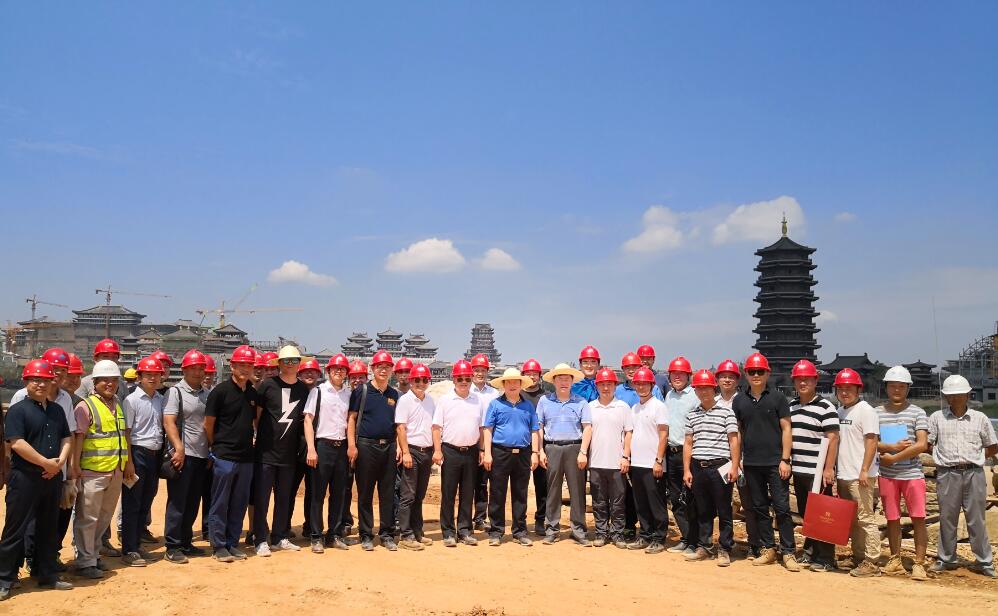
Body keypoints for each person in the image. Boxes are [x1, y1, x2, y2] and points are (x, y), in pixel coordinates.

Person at [0, 360, 74, 600]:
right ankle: (5, 578)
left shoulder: (57, 410)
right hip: (25, 478)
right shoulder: (18, 410)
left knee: (48, 528)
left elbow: (67, 438)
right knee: (15, 529)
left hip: (52, 478)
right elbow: (17, 443)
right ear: (26, 382)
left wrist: (59, 463)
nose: (41, 384)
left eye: (45, 380)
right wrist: (45, 463)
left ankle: (47, 574)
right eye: (36, 380)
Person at [927, 375, 997, 579]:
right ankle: (946, 559)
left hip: (974, 473)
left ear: (968, 395)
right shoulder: (937, 417)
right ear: (945, 397)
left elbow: (992, 445)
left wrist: (976, 458)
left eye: (959, 394)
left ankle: (984, 561)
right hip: (947, 473)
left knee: (976, 519)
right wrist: (942, 457)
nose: (955, 398)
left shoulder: (980, 418)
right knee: (947, 517)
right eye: (951, 395)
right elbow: (928, 443)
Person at [732, 353, 797, 571]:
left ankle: (788, 551)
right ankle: (768, 548)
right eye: (752, 371)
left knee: (782, 508)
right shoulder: (739, 401)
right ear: (746, 374)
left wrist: (785, 459)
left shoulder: (778, 398)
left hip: (775, 463)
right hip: (751, 463)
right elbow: (738, 432)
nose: (756, 375)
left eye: (760, 371)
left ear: (767, 374)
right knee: (759, 507)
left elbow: (786, 429)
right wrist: (739, 459)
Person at [72, 359, 134, 579]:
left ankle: (94, 554)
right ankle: (85, 561)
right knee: (87, 518)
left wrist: (127, 463)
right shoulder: (85, 406)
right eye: (104, 380)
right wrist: (75, 468)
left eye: (114, 380)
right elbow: (78, 438)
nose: (110, 384)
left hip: (114, 471)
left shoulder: (118, 405)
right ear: (95, 382)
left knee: (104, 517)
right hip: (92, 472)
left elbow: (123, 437)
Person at [252, 346, 309, 557]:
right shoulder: (268, 385)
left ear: (299, 363)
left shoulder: (303, 390)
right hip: (266, 452)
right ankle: (260, 539)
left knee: (284, 497)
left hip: (289, 454)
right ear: (279, 363)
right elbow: (257, 416)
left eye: (294, 360)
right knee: (262, 498)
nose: (290, 364)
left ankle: (279, 537)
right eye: (286, 361)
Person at [205, 345, 258, 563]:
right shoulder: (220, 391)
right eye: (241, 364)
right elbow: (208, 424)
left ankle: (232, 543)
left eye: (249, 365)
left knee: (239, 502)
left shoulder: (252, 393)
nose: (245, 369)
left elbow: (254, 422)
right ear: (232, 366)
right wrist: (216, 446)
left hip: (246, 458)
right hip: (224, 456)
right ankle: (218, 546)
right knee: (220, 502)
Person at [876, 366, 930, 581]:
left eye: (901, 386)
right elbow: (872, 442)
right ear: (886, 387)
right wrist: (890, 447)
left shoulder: (918, 412)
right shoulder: (877, 412)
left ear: (908, 388)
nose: (897, 390)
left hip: (912, 474)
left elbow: (922, 444)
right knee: (892, 518)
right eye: (893, 386)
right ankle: (895, 558)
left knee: (918, 518)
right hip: (887, 475)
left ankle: (919, 563)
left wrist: (894, 456)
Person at [787, 360, 840, 573]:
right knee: (807, 514)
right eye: (799, 379)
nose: (803, 383)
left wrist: (828, 468)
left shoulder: (826, 407)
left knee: (822, 515)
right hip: (799, 470)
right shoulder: (792, 406)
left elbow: (833, 438)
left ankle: (826, 557)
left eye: (807, 379)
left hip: (818, 471)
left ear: (815, 381)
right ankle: (810, 552)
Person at [682, 370, 740, 567]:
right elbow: (688, 443)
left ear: (713, 388)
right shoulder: (692, 414)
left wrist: (734, 466)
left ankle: (724, 548)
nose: (703, 392)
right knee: (703, 510)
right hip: (698, 466)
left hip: (720, 466)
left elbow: (733, 441)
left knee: (724, 509)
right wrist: (687, 470)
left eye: (706, 388)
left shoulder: (726, 412)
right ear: (695, 391)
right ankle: (704, 546)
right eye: (699, 388)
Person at [347, 350, 400, 551]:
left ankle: (386, 534)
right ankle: (366, 534)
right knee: (365, 492)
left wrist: (398, 446)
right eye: (380, 366)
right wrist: (352, 445)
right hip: (366, 446)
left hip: (389, 446)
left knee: (387, 493)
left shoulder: (394, 394)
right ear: (372, 368)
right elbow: (351, 419)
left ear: (392, 370)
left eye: (387, 367)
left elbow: (398, 424)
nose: (383, 370)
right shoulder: (362, 391)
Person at [161, 349, 210, 564]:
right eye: (193, 368)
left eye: (201, 368)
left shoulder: (207, 394)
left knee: (193, 501)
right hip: (183, 455)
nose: (198, 372)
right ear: (184, 370)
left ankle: (186, 541)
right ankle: (172, 546)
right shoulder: (175, 392)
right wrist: (178, 448)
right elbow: (169, 421)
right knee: (178, 502)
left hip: (201, 454)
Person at [482, 368, 540, 547]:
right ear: (503, 385)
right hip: (500, 452)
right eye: (509, 382)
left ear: (521, 385)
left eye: (516, 382)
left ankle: (520, 531)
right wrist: (488, 453)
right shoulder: (495, 404)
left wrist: (535, 453)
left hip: (523, 453)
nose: (513, 385)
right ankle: (496, 531)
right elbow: (488, 429)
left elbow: (534, 430)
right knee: (497, 492)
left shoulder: (528, 406)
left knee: (520, 493)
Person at [833, 368, 881, 578]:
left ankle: (872, 560)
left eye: (849, 388)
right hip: (844, 474)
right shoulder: (840, 411)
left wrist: (864, 470)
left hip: (860, 475)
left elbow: (872, 441)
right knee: (852, 520)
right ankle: (859, 556)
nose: (844, 392)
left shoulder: (866, 411)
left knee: (866, 518)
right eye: (840, 389)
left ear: (858, 389)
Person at [537, 363, 592, 546]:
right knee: (552, 491)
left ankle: (578, 530)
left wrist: (583, 451)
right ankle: (551, 529)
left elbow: (587, 428)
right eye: (560, 378)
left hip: (575, 448)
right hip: (552, 448)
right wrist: (540, 450)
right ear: (553, 381)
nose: (563, 382)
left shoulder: (581, 402)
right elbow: (539, 427)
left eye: (567, 378)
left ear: (572, 381)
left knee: (577, 490)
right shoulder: (544, 401)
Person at [119, 356, 167, 567]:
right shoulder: (132, 400)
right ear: (139, 377)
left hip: (154, 455)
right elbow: (127, 433)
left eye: (156, 375)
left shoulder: (160, 399)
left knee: (146, 501)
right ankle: (129, 549)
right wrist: (129, 461)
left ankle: (137, 545)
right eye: (148, 375)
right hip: (137, 454)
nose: (153, 378)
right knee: (132, 503)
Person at [433, 360, 484, 547]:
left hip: (471, 451)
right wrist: (437, 450)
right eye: (460, 378)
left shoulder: (477, 400)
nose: (464, 382)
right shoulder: (445, 400)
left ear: (471, 380)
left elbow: (482, 427)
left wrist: (482, 449)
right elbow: (436, 427)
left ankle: (465, 530)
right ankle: (448, 532)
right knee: (448, 493)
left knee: (468, 493)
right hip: (450, 451)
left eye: (467, 379)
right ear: (454, 379)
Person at [304, 354, 352, 552]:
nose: (339, 371)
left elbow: (351, 421)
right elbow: (308, 420)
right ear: (329, 371)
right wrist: (311, 448)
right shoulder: (318, 392)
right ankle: (316, 536)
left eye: (342, 369)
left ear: (346, 373)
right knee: (318, 493)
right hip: (322, 446)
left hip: (342, 448)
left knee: (339, 494)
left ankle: (334, 534)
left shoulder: (348, 394)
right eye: (335, 369)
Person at [714, 358, 759, 559]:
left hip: (741, 461)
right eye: (723, 376)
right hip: (719, 460)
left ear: (737, 380)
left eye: (731, 377)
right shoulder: (712, 401)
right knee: (723, 504)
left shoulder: (744, 401)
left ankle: (754, 544)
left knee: (749, 503)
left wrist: (740, 459)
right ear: (717, 380)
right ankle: (725, 544)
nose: (726, 380)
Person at [586, 367, 632, 549]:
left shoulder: (623, 407)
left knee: (618, 502)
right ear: (597, 386)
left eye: (609, 384)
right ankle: (601, 532)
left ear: (615, 386)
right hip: (596, 462)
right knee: (599, 501)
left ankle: (617, 534)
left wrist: (625, 456)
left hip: (616, 463)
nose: (606, 388)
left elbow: (628, 433)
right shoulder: (590, 407)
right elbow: (587, 432)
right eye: (602, 384)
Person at [625, 367, 669, 553]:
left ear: (652, 385)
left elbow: (664, 435)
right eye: (638, 384)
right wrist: (627, 457)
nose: (641, 387)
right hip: (637, 464)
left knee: (656, 503)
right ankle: (645, 535)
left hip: (653, 464)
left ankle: (659, 537)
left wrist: (658, 460)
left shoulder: (659, 406)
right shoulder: (634, 408)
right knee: (641, 502)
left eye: (645, 384)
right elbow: (630, 434)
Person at [395, 363, 435, 550]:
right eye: (417, 380)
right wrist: (405, 452)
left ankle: (417, 531)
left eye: (424, 380)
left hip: (426, 451)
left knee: (419, 495)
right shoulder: (405, 400)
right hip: (411, 450)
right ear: (411, 381)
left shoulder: (431, 401)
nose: (420, 383)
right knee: (408, 495)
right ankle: (406, 535)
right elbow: (400, 428)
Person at [662, 356, 699, 556]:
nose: (677, 377)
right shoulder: (669, 396)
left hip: (688, 454)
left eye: (681, 374)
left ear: (688, 376)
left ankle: (696, 540)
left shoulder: (695, 396)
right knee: (676, 498)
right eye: (674, 374)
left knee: (691, 499)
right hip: (671, 453)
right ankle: (686, 538)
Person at [287, 358, 322, 541]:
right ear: (299, 374)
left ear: (318, 374)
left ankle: (310, 527)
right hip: (295, 446)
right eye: (305, 371)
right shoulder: (294, 392)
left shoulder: (321, 393)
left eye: (313, 371)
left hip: (317, 446)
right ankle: (284, 526)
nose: (309, 374)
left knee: (313, 489)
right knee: (290, 488)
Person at [340, 360, 369, 537]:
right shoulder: (344, 396)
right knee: (345, 486)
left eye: (361, 377)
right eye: (353, 377)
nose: (357, 380)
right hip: (346, 446)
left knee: (365, 487)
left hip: (366, 446)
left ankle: (365, 525)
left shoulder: (370, 395)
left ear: (366, 378)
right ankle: (345, 520)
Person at [470, 353, 498, 532]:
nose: (480, 373)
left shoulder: (494, 393)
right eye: (477, 370)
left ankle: (480, 517)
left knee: (483, 482)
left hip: (488, 443)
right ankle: (464, 518)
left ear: (488, 372)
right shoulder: (465, 389)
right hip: (469, 441)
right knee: (466, 483)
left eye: (483, 370)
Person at [519, 358, 548, 536]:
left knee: (542, 485)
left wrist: (541, 449)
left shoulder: (546, 397)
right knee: (520, 486)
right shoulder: (518, 395)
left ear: (539, 376)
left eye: (534, 374)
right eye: (528, 373)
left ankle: (540, 520)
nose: (531, 376)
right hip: (522, 446)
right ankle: (520, 520)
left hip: (542, 447)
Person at [199, 354, 218, 541]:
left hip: (212, 450)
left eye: (210, 373)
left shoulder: (216, 394)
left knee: (211, 493)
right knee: (190, 495)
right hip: (194, 450)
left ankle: (207, 529)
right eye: (204, 372)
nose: (206, 376)